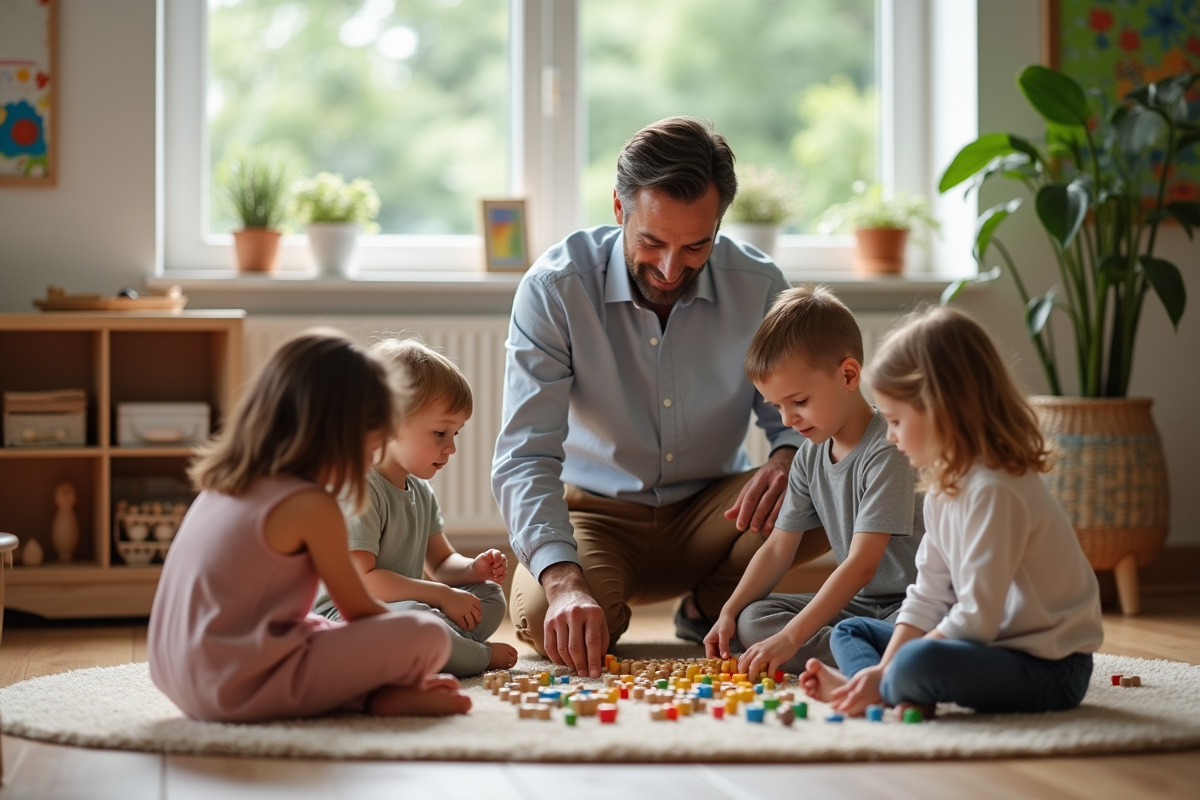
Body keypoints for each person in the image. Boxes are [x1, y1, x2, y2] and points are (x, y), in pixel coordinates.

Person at [492, 116, 830, 679]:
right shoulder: (554, 288)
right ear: (620, 210)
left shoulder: (761, 285)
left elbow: (805, 418)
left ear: (720, 224)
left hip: (717, 512)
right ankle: (604, 600)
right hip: (596, 514)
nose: (672, 269)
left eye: (696, 245)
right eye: (652, 242)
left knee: (823, 483)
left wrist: (788, 456)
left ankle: (707, 608)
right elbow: (525, 454)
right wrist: (565, 581)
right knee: (545, 617)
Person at [148, 330, 471, 723]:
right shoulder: (310, 504)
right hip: (231, 684)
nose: (375, 452)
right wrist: (415, 649)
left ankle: (373, 698)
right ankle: (372, 695)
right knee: (429, 635)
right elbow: (360, 611)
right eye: (374, 439)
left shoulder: (223, 485)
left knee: (318, 626)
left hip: (174, 672)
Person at [801, 306, 1103, 716]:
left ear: (942, 409)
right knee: (850, 630)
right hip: (985, 648)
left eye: (895, 420)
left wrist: (893, 667)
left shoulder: (998, 490)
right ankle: (887, 687)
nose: (889, 436)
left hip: (1049, 667)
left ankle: (884, 685)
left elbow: (976, 618)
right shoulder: (944, 488)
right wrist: (889, 665)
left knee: (915, 661)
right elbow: (927, 595)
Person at [704, 285, 924, 675]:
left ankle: (871, 653)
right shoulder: (808, 455)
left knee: (919, 634)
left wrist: (791, 639)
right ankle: (861, 650)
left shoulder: (888, 449)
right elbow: (777, 550)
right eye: (777, 407)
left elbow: (861, 566)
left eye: (799, 402)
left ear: (849, 375)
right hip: (861, 606)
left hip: (912, 606)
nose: (788, 420)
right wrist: (729, 611)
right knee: (754, 620)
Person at [312, 338, 518, 676]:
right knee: (422, 616)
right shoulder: (361, 488)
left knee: (489, 597)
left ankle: (438, 645)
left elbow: (441, 562)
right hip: (349, 617)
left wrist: (471, 570)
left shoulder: (420, 490)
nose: (450, 447)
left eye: (456, 434)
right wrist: (439, 596)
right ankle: (468, 654)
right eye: (440, 433)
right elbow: (363, 582)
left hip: (404, 608)